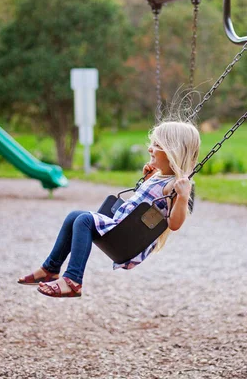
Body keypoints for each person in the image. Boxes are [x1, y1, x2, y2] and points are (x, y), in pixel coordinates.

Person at [17, 120, 201, 298]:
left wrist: (183, 196)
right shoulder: (160, 177)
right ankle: (50, 269)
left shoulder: (174, 186)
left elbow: (174, 224)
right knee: (75, 216)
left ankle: (72, 281)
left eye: (156, 144)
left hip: (127, 238)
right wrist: (147, 179)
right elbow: (144, 201)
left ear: (172, 151)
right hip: (121, 227)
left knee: (84, 220)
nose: (150, 148)